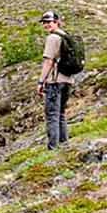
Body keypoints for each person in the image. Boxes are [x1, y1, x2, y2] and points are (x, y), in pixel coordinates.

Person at [36, 9, 73, 148]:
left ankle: (53, 148)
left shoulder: (52, 38)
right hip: (68, 80)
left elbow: (48, 62)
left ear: (56, 22)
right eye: (44, 23)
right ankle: (64, 145)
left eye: (48, 22)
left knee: (52, 115)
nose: (46, 25)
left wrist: (41, 81)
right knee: (61, 114)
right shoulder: (66, 36)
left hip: (55, 81)